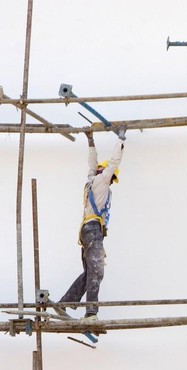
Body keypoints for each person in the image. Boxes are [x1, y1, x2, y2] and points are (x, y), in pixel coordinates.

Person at [54, 126, 127, 322]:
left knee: (91, 272)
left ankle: (64, 303)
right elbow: (113, 163)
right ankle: (91, 313)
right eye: (110, 176)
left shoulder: (91, 181)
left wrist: (91, 140)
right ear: (105, 173)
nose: (111, 180)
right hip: (93, 230)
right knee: (97, 271)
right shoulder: (101, 180)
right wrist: (121, 139)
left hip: (88, 231)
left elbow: (91, 163)